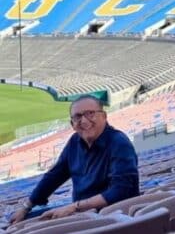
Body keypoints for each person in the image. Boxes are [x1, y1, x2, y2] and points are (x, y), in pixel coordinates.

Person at [10, 95, 139, 224]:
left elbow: (121, 191)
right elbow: (54, 176)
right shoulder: (74, 142)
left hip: (115, 218)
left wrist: (74, 206)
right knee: (22, 223)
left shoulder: (119, 143)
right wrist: (26, 208)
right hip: (83, 216)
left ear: (104, 116)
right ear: (72, 124)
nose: (84, 121)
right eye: (77, 117)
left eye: (90, 113)